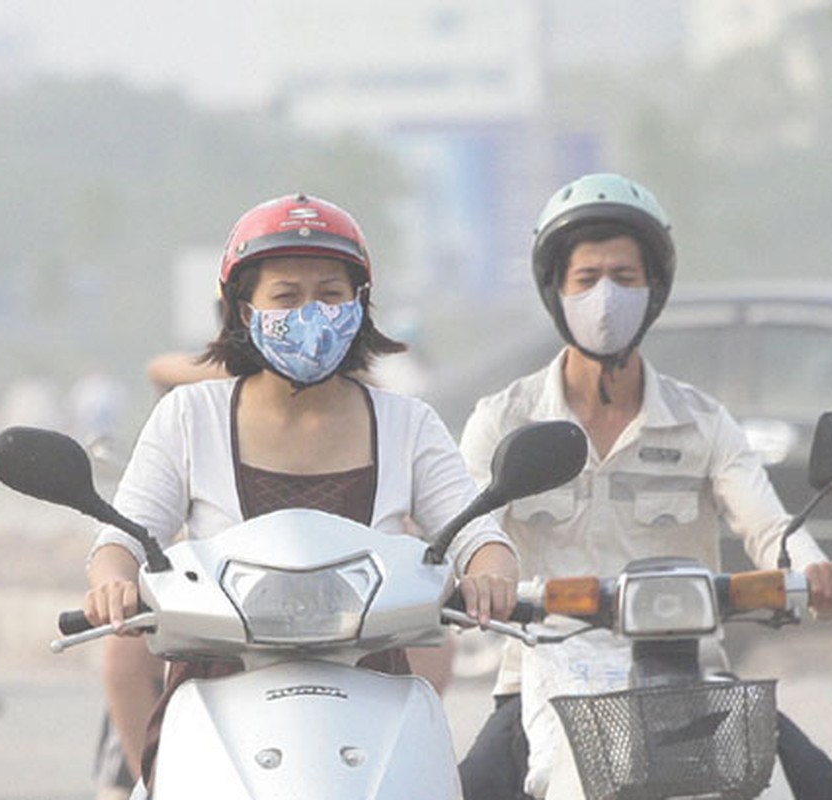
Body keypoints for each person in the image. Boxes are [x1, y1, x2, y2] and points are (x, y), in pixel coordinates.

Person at [83, 192, 522, 790]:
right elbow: (125, 537)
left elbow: (478, 533)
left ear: (360, 305)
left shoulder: (408, 423)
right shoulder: (190, 416)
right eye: (286, 297)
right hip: (217, 692)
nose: (312, 313)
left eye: (331, 295)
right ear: (244, 310)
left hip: (376, 694)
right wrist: (113, 581)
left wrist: (490, 573)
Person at [455, 173, 832, 799]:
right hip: (547, 684)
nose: (606, 294)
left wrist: (814, 571)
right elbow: (467, 528)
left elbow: (770, 528)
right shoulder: (505, 420)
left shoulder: (702, 422)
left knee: (823, 786)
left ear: (655, 290)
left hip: (691, 679)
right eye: (587, 279)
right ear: (556, 290)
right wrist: (481, 582)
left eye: (625, 276)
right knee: (469, 788)